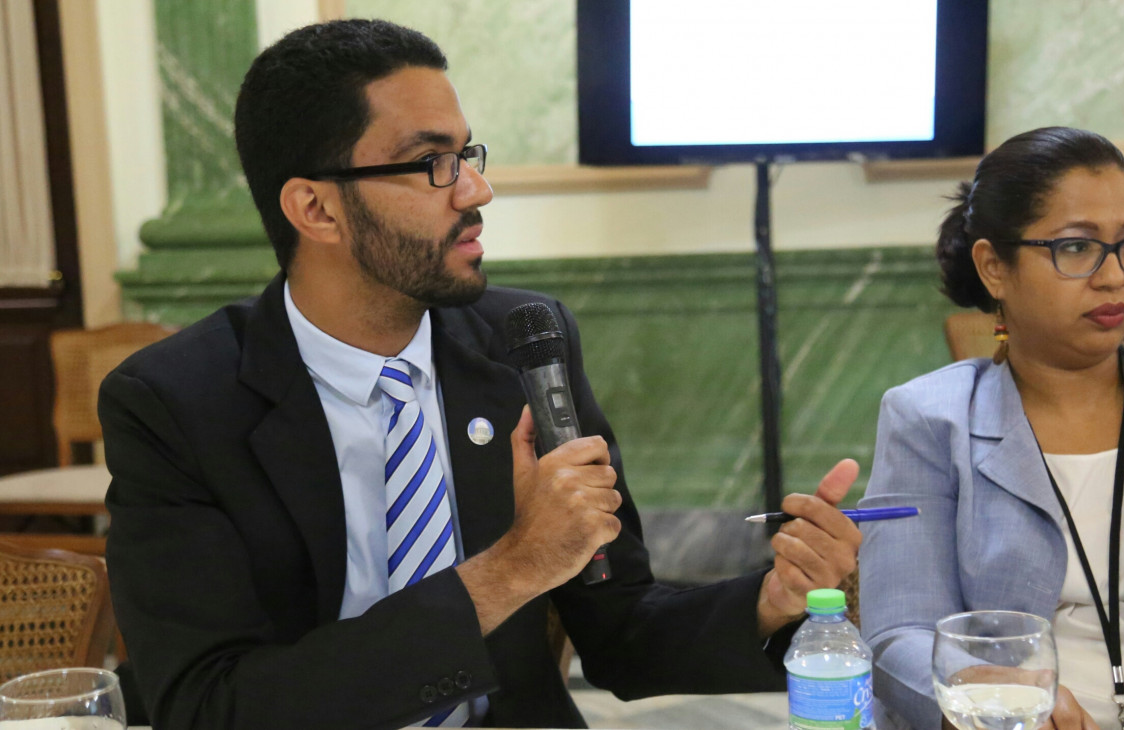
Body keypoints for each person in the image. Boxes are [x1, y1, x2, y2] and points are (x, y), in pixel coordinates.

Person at [100, 19, 861, 730]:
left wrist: (769, 601)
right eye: (432, 163)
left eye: (468, 155)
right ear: (316, 210)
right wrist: (512, 569)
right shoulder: (176, 402)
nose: (475, 190)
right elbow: (207, 705)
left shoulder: (520, 344)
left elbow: (621, 630)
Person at [856, 127, 1124, 730]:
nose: (1115, 276)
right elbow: (897, 636)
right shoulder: (928, 418)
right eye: (1076, 247)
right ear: (994, 268)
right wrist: (1002, 706)